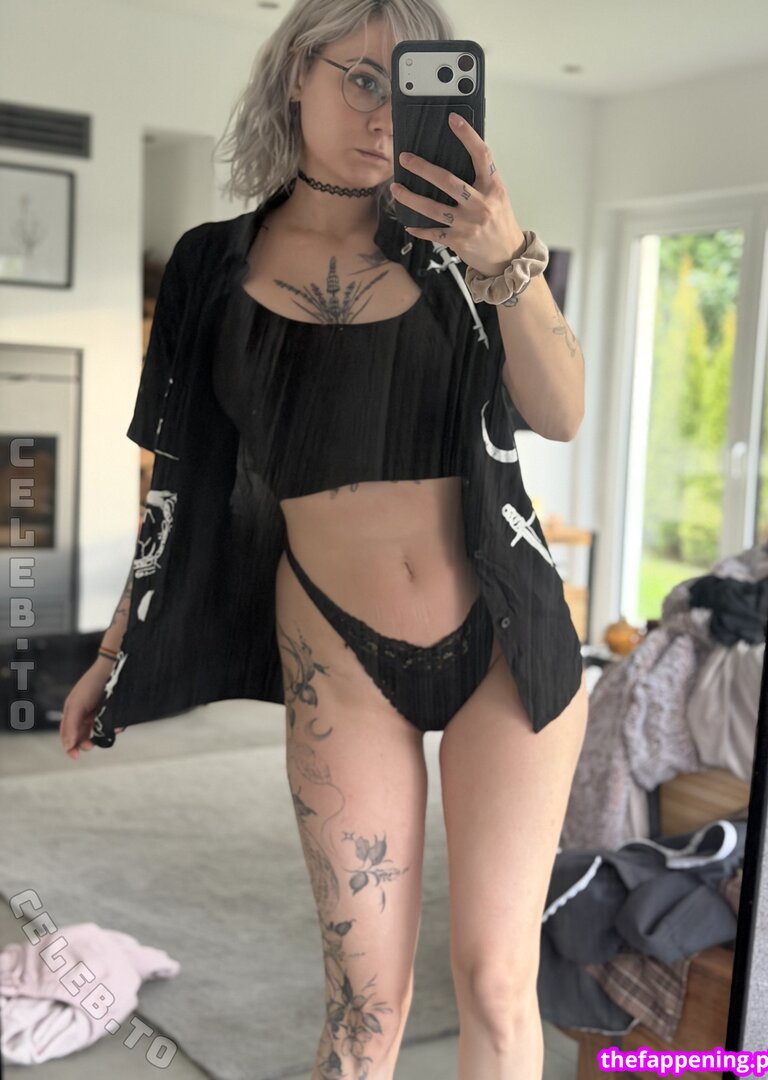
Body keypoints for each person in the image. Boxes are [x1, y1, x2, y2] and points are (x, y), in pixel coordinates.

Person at [60, 0, 589, 1076]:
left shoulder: (471, 246)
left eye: (410, 86)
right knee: (362, 1012)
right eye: (360, 79)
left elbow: (563, 411)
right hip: (335, 654)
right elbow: (177, 482)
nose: (385, 115)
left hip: (507, 637)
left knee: (497, 984)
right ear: (295, 74)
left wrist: (506, 258)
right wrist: (114, 649)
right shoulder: (212, 265)